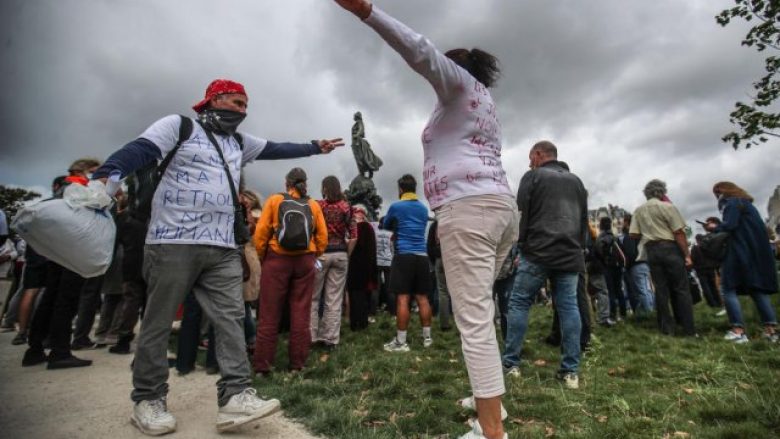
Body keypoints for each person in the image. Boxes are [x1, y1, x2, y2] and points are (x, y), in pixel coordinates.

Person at [92, 79, 342, 435]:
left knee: (231, 319)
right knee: (158, 322)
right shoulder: (178, 127)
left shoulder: (238, 142)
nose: (242, 110)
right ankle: (148, 398)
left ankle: (235, 397)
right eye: (237, 102)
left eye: (245, 105)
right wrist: (106, 174)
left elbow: (276, 148)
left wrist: (315, 147)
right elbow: (140, 150)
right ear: (215, 99)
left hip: (223, 247)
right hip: (172, 241)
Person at [333, 3, 518, 438]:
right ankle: (488, 399)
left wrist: (366, 12)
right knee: (481, 311)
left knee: (472, 317)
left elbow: (419, 49)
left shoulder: (458, 84)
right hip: (498, 207)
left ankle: (491, 431)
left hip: (468, 209)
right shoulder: (483, 101)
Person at [502, 141, 586, 391]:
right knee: (569, 306)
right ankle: (571, 372)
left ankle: (511, 364)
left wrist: (520, 246)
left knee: (518, 302)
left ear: (538, 155)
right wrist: (579, 248)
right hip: (570, 252)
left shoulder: (533, 176)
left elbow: (520, 213)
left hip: (537, 250)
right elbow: (582, 221)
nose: (529, 163)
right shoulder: (577, 181)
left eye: (531, 157)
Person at [253, 168, 328, 374]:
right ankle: (298, 364)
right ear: (305, 182)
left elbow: (261, 233)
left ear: (287, 183)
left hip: (277, 259)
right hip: (305, 261)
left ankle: (263, 365)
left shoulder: (275, 200)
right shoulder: (313, 205)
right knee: (301, 312)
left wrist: (262, 255)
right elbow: (322, 236)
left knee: (269, 313)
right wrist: (314, 253)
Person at [706, 182, 779, 343]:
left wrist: (714, 227)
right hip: (756, 252)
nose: (717, 197)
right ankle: (771, 331)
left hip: (738, 251)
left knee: (728, 288)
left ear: (723, 191)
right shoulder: (747, 205)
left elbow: (730, 225)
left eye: (717, 193)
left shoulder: (732, 204)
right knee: (757, 290)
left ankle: (738, 330)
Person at [629, 179, 696, 337]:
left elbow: (633, 234)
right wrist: (687, 255)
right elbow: (679, 232)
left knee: (660, 289)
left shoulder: (639, 210)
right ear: (662, 192)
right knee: (681, 289)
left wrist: (648, 232)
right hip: (670, 247)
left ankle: (666, 328)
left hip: (652, 250)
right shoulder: (668, 207)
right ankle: (688, 328)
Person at [381, 175, 434, 352]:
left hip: (404, 254)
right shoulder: (423, 208)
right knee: (422, 297)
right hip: (422, 255)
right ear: (415, 188)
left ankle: (401, 342)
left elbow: (387, 224)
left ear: (401, 189)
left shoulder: (396, 206)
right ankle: (427, 338)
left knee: (403, 297)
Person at [310, 176, 356, 350]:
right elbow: (353, 236)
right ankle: (330, 339)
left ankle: (311, 336)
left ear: (324, 188)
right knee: (334, 299)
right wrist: (346, 254)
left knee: (313, 297)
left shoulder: (318, 206)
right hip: (340, 255)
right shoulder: (347, 207)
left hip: (320, 256)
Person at [619, 214, 654, 317]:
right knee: (647, 289)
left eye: (623, 222)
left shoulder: (630, 235)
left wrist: (627, 266)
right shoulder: (640, 233)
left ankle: (648, 314)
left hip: (636, 265)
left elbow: (630, 253)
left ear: (626, 222)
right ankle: (652, 309)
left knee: (641, 291)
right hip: (645, 263)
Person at [347, 221, 378, 330]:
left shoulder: (357, 228)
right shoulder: (369, 228)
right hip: (367, 268)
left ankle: (355, 323)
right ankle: (363, 322)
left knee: (354, 297)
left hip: (354, 267)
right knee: (364, 297)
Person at [596, 217, 627, 321]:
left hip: (607, 267)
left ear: (601, 225)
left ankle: (612, 315)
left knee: (610, 291)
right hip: (618, 266)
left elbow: (598, 253)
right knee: (619, 290)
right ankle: (623, 313)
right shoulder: (615, 237)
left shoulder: (601, 238)